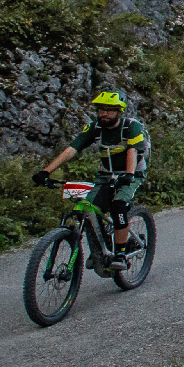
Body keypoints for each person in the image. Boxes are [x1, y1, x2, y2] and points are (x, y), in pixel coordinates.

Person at [33, 91, 148, 270]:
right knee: (89, 208)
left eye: (109, 110)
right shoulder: (95, 128)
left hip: (131, 174)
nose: (104, 114)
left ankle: (120, 255)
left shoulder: (130, 127)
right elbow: (73, 148)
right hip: (105, 176)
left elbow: (133, 150)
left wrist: (129, 174)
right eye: (101, 109)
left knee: (119, 206)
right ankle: (100, 252)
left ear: (119, 111)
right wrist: (46, 171)